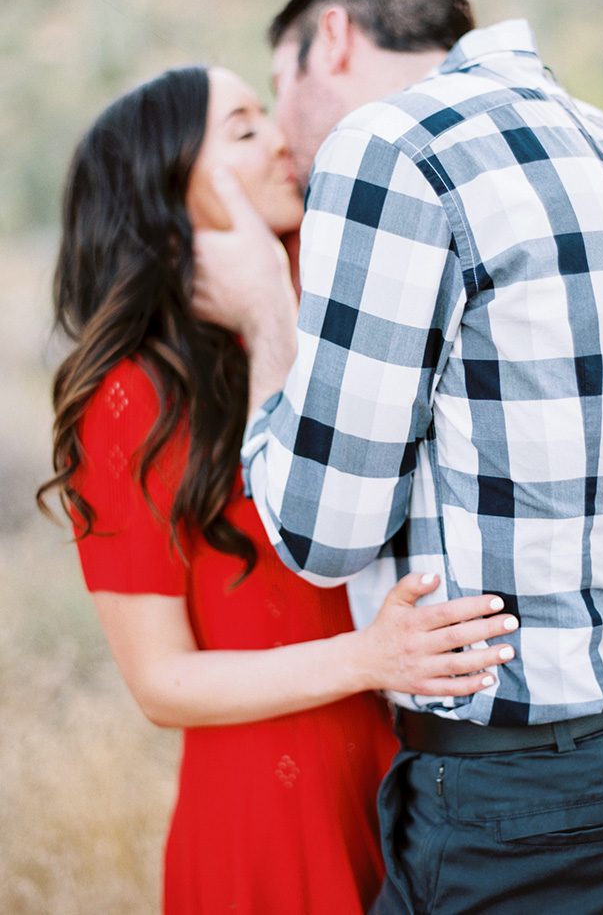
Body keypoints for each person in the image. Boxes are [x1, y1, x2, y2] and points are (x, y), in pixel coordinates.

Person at [192, 0, 603, 915]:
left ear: (333, 39)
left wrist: (271, 315)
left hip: (534, 792)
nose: (283, 134)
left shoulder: (387, 147)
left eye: (277, 88)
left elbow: (324, 536)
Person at [36, 64, 519, 915]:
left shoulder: (330, 302)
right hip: (272, 812)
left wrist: (272, 312)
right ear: (168, 184)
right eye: (245, 128)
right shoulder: (125, 397)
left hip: (411, 772)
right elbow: (161, 682)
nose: (282, 143)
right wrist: (368, 657)